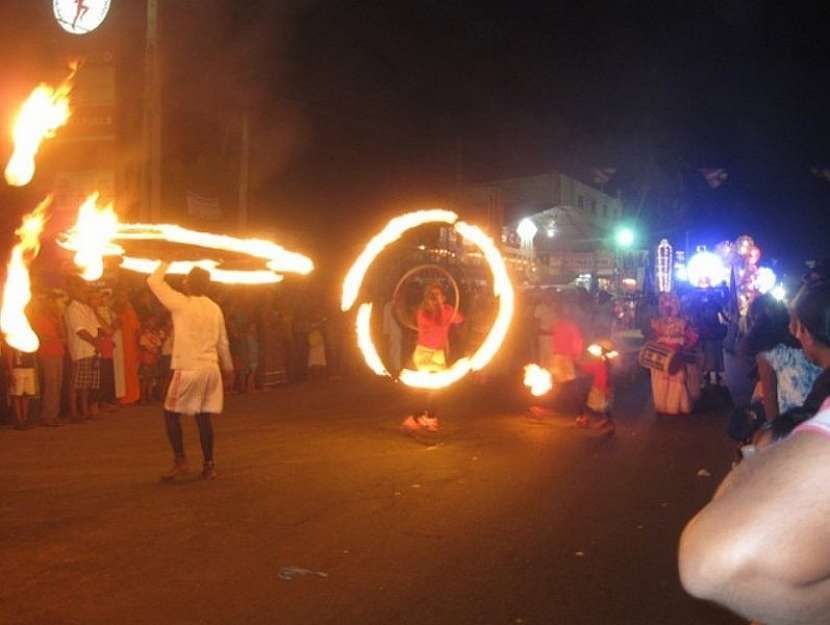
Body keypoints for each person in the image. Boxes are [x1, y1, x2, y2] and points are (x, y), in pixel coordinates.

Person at [678, 283, 830, 625]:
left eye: (798, 322)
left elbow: (707, 562)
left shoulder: (770, 356)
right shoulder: (801, 361)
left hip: (795, 441)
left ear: (806, 329)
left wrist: (765, 452)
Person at [147, 262, 233, 481]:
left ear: (188, 282)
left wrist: (167, 260)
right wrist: (229, 367)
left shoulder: (181, 303)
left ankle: (180, 460)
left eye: (185, 278)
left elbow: (153, 281)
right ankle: (209, 465)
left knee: (170, 414)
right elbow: (223, 342)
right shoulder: (215, 308)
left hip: (188, 369)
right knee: (203, 418)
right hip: (210, 368)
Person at [401, 282, 464, 434]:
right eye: (432, 295)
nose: (435, 298)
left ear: (444, 297)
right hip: (424, 353)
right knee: (425, 388)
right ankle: (416, 418)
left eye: (438, 295)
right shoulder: (423, 312)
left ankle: (428, 418)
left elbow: (460, 319)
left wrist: (447, 308)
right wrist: (440, 308)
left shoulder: (448, 310)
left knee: (438, 389)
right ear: (427, 298)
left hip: (438, 354)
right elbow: (438, 323)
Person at [649, 293, 697, 416]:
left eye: (670, 307)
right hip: (668, 355)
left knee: (674, 379)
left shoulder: (662, 322)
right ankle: (674, 406)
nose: (668, 309)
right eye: (666, 307)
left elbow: (693, 338)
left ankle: (671, 406)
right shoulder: (663, 322)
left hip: (669, 355)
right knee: (673, 379)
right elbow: (693, 338)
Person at [64, 281, 101, 422]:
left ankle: (84, 411)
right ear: (75, 290)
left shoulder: (86, 308)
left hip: (91, 349)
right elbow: (80, 331)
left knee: (85, 384)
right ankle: (74, 412)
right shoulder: (73, 308)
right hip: (80, 350)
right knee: (76, 383)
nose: (85, 292)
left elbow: (96, 327)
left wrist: (96, 342)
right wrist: (95, 342)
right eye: (83, 289)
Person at [30, 291, 66, 426]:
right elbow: (42, 337)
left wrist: (59, 320)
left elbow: (62, 334)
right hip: (48, 353)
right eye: (52, 301)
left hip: (58, 352)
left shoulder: (55, 316)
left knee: (57, 385)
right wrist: (56, 338)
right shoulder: (38, 317)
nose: (54, 303)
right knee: (51, 384)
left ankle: (54, 414)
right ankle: (47, 415)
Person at [5, 343, 37, 430]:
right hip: (18, 368)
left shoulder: (27, 338)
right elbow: (9, 353)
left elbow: (32, 352)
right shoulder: (12, 339)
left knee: (26, 395)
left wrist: (34, 367)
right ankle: (19, 420)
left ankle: (24, 419)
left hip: (28, 368)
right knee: (17, 395)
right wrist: (10, 371)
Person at [138, 315, 164, 404]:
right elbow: (142, 346)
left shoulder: (155, 334)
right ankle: (143, 397)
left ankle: (149, 396)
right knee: (144, 379)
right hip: (146, 358)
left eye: (153, 321)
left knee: (151, 378)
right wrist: (151, 350)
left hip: (153, 358)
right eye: (151, 321)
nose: (152, 323)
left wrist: (157, 353)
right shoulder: (144, 334)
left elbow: (159, 345)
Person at [533, 289, 557, 369]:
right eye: (549, 295)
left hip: (555, 337)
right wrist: (536, 335)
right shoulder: (540, 307)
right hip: (544, 336)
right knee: (543, 358)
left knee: (553, 358)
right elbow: (536, 321)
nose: (551, 297)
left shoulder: (556, 307)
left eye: (553, 295)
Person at [382, 299, 402, 371]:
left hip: (399, 332)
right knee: (394, 349)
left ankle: (396, 368)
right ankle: (395, 369)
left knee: (396, 349)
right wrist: (386, 333)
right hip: (394, 333)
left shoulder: (401, 305)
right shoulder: (389, 306)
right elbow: (386, 321)